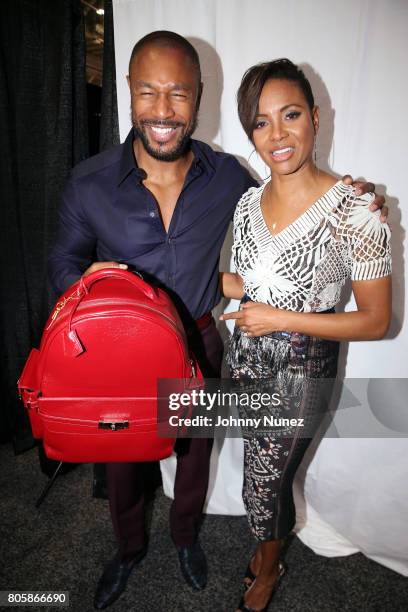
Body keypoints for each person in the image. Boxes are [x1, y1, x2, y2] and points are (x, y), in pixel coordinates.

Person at [48, 31, 387, 610]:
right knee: (125, 465)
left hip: (201, 343)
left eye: (178, 93)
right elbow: (62, 268)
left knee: (195, 453)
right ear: (129, 92)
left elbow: (292, 201)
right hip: (122, 354)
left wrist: (353, 195)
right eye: (149, 92)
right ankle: (128, 550)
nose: (162, 109)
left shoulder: (229, 177)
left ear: (198, 97)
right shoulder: (89, 183)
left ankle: (185, 539)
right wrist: (89, 287)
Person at [219, 59, 392, 612]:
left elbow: (376, 320)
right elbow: (254, 282)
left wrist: (280, 319)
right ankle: (267, 547)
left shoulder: (356, 210)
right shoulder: (247, 204)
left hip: (303, 370)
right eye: (261, 123)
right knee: (255, 471)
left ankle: (269, 566)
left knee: (265, 485)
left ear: (316, 118)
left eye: (290, 115)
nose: (278, 135)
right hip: (246, 360)